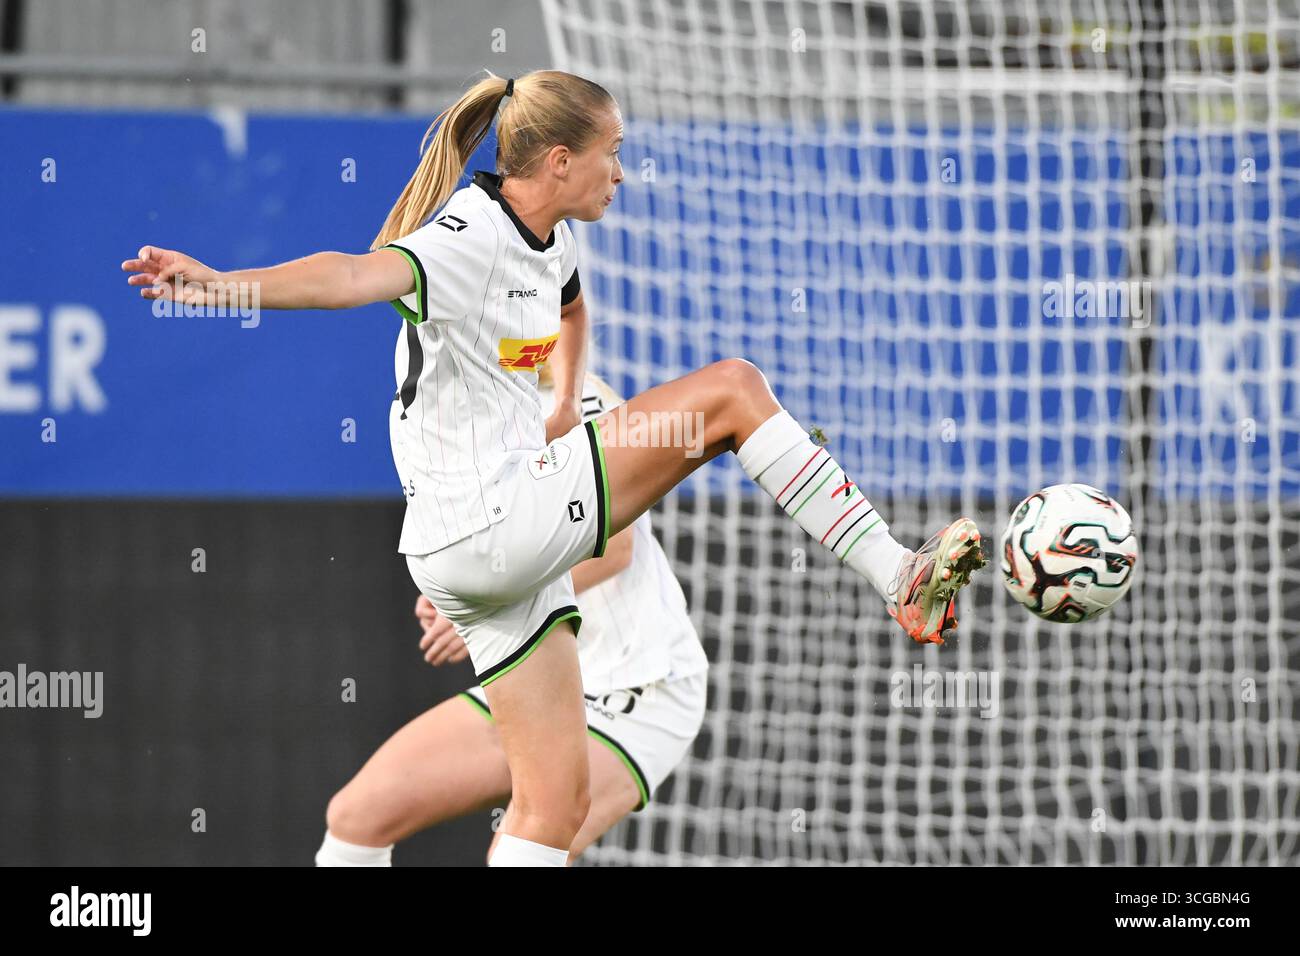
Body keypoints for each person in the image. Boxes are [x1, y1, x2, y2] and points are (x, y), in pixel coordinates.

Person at [122, 68, 985, 867]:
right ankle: (897, 575)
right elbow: (350, 274)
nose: (622, 174)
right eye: (613, 155)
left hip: (477, 558)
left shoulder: (549, 241)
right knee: (732, 392)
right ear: (561, 161)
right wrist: (220, 284)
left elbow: (569, 308)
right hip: (492, 524)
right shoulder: (467, 240)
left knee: (546, 810)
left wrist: (566, 403)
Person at [315, 370, 708, 866]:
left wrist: (484, 602)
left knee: (518, 855)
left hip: (641, 688)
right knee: (356, 820)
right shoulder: (452, 414)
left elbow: (616, 547)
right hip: (539, 681)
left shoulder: (571, 400)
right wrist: (451, 597)